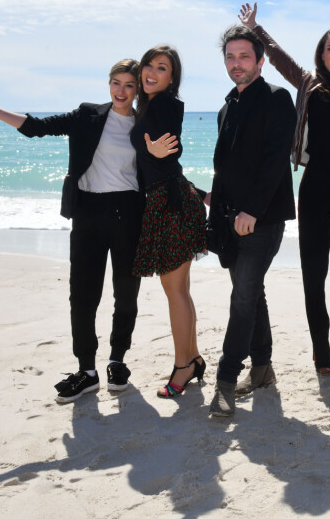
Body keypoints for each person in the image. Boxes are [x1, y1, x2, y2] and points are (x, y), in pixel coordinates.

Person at [0, 59, 145, 403]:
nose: (121, 91)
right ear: (108, 84)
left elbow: (163, 167)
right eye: (116, 82)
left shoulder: (145, 123)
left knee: (126, 292)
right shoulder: (87, 115)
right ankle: (87, 371)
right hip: (88, 212)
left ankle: (118, 361)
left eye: (129, 85)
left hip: (128, 213)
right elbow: (38, 127)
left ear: (138, 89)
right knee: (82, 294)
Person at [238, 2, 330, 376]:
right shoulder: (308, 82)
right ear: (321, 55)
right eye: (329, 48)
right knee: (313, 272)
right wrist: (256, 29)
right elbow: (277, 57)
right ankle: (321, 353)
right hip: (314, 184)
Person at [208, 25, 297, 417]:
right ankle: (262, 369)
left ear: (260, 61)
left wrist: (253, 211)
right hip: (228, 219)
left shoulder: (278, 98)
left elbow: (276, 161)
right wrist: (217, 206)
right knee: (251, 293)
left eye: (245, 56)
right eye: (230, 57)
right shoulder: (226, 106)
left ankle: (225, 381)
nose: (237, 64)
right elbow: (225, 167)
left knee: (242, 296)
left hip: (263, 219)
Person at [130, 45, 207, 399]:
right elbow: (165, 158)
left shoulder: (165, 104)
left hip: (171, 205)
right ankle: (191, 358)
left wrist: (154, 150)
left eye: (162, 68)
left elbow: (167, 147)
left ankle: (182, 366)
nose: (152, 72)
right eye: (149, 65)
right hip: (173, 199)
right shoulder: (149, 105)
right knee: (180, 290)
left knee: (174, 291)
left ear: (171, 78)